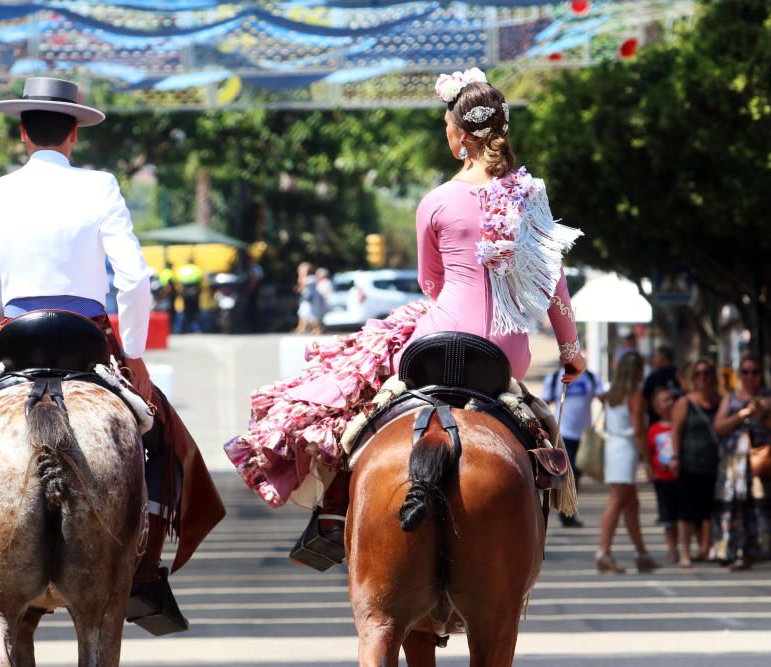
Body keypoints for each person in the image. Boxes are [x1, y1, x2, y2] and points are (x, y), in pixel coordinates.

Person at [0, 78, 224, 631]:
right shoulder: (101, 187)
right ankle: (144, 571)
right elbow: (135, 281)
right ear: (73, 134)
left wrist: (9, 322)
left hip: (15, 334)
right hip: (87, 339)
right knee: (160, 436)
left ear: (23, 134)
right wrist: (133, 354)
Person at [225, 68, 585, 566]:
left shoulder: (435, 201)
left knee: (362, 406)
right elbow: (554, 283)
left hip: (437, 341)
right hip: (506, 355)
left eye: (445, 127)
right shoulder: (531, 194)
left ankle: (332, 516)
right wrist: (570, 351)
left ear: (459, 136)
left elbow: (430, 283)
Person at [712, 355, 771, 571]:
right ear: (739, 374)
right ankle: (740, 551)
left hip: (762, 460)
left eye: (754, 371)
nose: (750, 376)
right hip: (735, 463)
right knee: (738, 507)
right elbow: (719, 426)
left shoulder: (768, 397)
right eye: (745, 372)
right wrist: (741, 415)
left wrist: (762, 415)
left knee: (770, 506)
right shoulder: (731, 397)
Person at [596, 352, 659, 574]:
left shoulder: (612, 394)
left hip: (614, 446)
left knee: (631, 504)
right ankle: (603, 552)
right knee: (617, 501)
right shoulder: (635, 396)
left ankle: (642, 553)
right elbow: (639, 431)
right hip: (626, 449)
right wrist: (648, 462)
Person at [670, 359, 722, 568]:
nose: (703, 378)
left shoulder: (721, 400)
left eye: (707, 373)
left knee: (710, 509)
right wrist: (675, 457)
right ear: (693, 377)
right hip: (689, 461)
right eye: (698, 374)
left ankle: (706, 548)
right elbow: (676, 430)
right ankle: (685, 551)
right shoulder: (686, 402)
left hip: (715, 462)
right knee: (687, 510)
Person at [542, 363, 603, 527]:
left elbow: (603, 397)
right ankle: (565, 512)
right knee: (568, 474)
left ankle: (567, 510)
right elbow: (544, 404)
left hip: (583, 436)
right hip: (563, 434)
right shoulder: (555, 378)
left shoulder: (591, 377)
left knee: (576, 476)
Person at [646, 387, 679, 563]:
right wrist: (651, 470)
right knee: (667, 517)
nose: (670, 403)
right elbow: (650, 454)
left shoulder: (679, 425)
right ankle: (672, 548)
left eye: (671, 399)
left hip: (680, 477)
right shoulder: (653, 430)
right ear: (657, 408)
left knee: (683, 515)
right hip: (663, 479)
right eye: (665, 401)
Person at [643, 345, 680, 424]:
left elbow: (645, 399)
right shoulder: (680, 374)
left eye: (656, 356)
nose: (654, 359)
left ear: (663, 358)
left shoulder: (654, 377)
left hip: (658, 421)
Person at [176, 256, 204, 334]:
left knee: (186, 311)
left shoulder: (183, 269)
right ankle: (197, 329)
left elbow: (179, 281)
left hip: (185, 291)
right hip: (195, 291)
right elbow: (200, 280)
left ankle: (184, 329)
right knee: (196, 311)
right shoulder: (197, 269)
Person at [294, 262, 317, 335]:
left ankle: (314, 329)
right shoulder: (309, 278)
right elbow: (300, 288)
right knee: (304, 314)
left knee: (308, 314)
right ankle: (302, 328)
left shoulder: (311, 278)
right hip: (306, 299)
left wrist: (301, 274)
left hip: (309, 300)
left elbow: (301, 283)